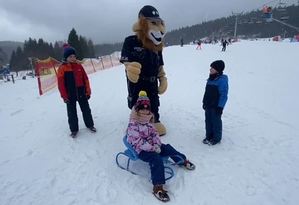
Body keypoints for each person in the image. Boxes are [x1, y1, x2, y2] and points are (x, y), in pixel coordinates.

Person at [126, 91, 195, 202]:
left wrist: (157, 144)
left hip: (153, 145)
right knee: (156, 159)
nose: (145, 110)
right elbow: (138, 142)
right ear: (137, 109)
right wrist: (153, 148)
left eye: (146, 108)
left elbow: (154, 134)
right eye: (142, 108)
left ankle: (182, 160)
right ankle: (157, 187)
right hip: (141, 150)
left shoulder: (149, 120)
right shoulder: (133, 124)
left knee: (167, 147)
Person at [57, 45, 96, 138]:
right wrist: (64, 96)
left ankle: (90, 125)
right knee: (71, 113)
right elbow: (60, 84)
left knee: (86, 110)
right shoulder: (62, 68)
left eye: (74, 56)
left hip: (81, 91)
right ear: (66, 57)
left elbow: (85, 79)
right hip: (70, 94)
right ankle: (74, 130)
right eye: (70, 56)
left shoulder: (79, 66)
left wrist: (88, 91)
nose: (73, 58)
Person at [202, 60, 228, 145]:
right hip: (208, 105)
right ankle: (208, 136)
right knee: (208, 121)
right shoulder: (210, 79)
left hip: (216, 106)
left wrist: (220, 107)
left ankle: (216, 138)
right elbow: (206, 92)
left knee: (215, 122)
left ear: (217, 70)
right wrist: (204, 102)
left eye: (212, 68)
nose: (210, 69)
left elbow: (223, 95)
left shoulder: (222, 81)